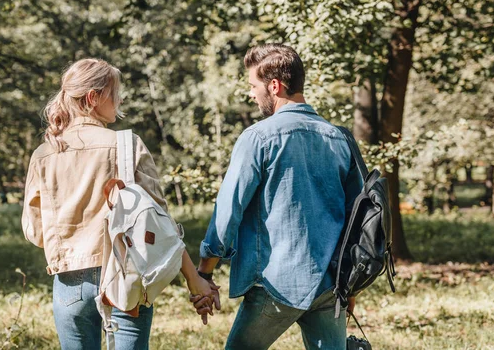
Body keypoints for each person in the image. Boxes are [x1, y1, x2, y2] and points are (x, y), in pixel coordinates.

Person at [21, 58, 214, 350]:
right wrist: (195, 280)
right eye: (116, 92)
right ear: (93, 97)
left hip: (70, 284)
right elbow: (160, 223)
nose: (120, 99)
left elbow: (34, 232)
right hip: (128, 276)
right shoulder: (127, 145)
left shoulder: (44, 153)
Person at [192, 44, 363, 349]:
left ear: (274, 85)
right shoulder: (339, 137)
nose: (251, 94)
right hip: (329, 284)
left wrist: (204, 271)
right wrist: (350, 286)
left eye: (253, 86)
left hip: (276, 284)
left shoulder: (258, 137)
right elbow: (358, 218)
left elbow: (228, 210)